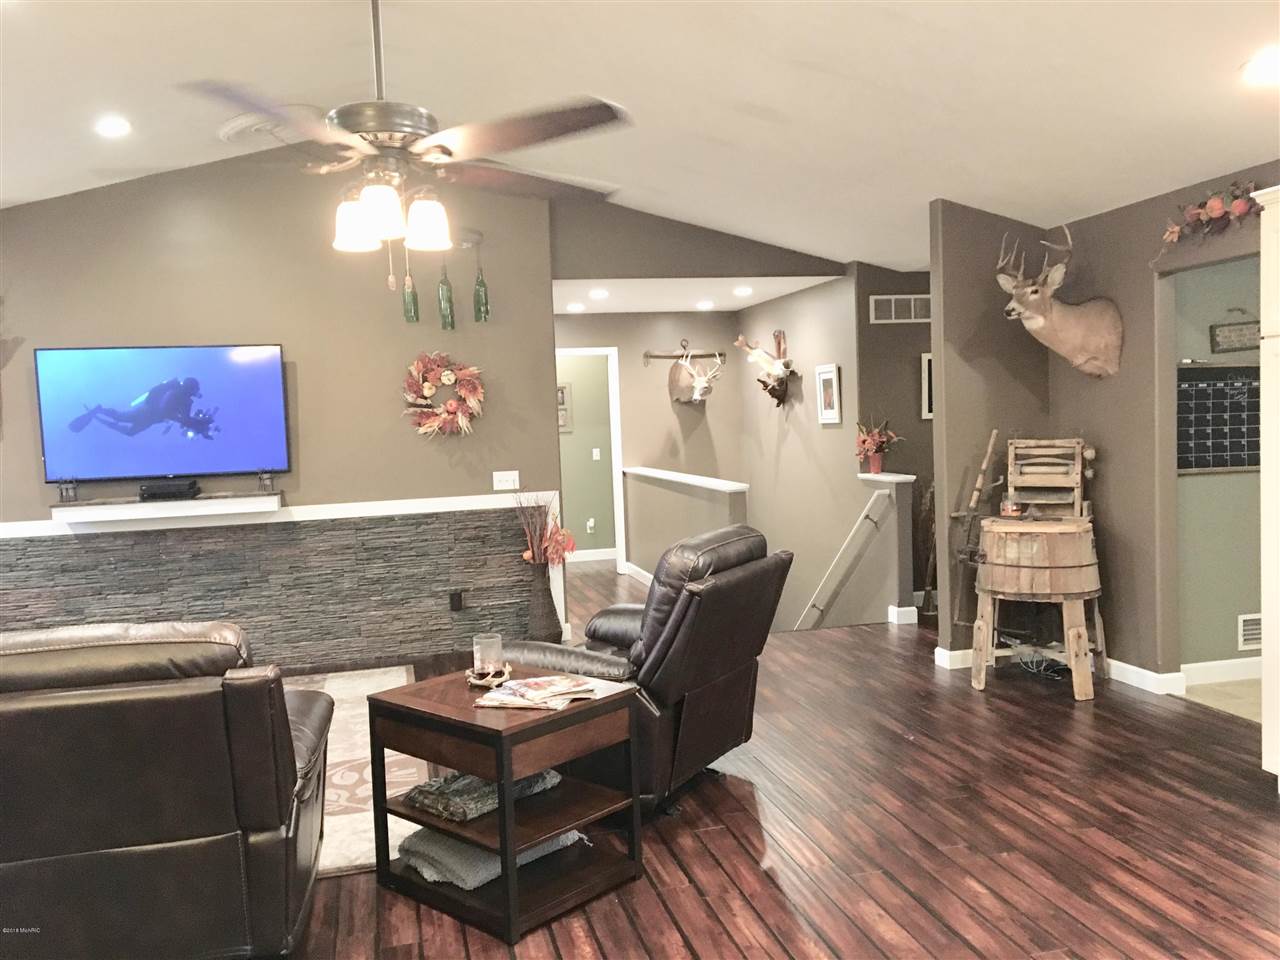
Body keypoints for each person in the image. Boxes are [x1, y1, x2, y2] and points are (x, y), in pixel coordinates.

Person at [68, 377, 218, 439]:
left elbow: (184, 419)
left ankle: (101, 413)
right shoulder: (178, 394)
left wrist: (198, 425)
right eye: (195, 389)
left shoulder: (184, 400)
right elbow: (173, 413)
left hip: (150, 417)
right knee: (122, 418)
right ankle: (100, 411)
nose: (195, 392)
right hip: (148, 413)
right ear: (191, 388)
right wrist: (197, 423)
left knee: (129, 430)